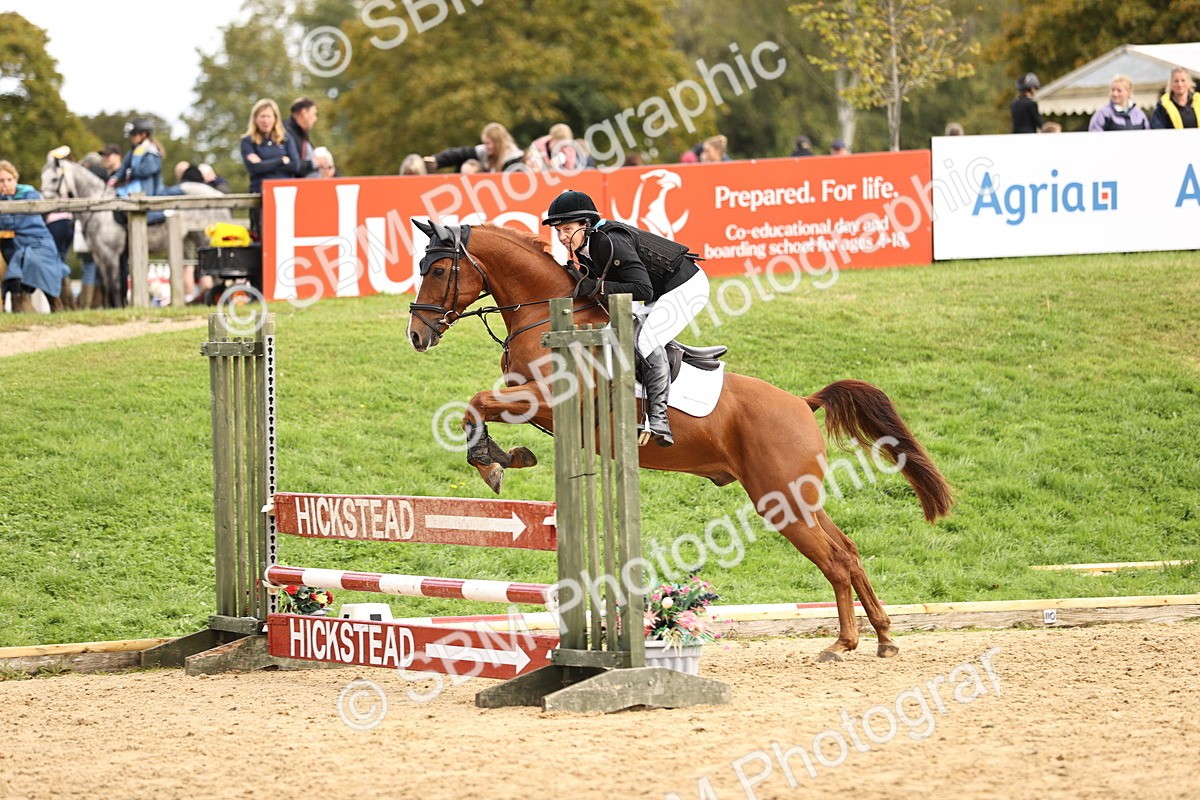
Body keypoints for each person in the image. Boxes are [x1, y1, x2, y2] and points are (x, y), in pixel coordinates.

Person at [541, 189, 709, 448]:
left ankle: (658, 420)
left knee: (644, 341)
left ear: (586, 224)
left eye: (567, 229)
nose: (562, 237)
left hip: (685, 288)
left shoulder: (609, 242)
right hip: (662, 292)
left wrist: (598, 287)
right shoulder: (586, 244)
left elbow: (642, 290)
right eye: (558, 231)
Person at [0, 160, 70, 313]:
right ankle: (17, 312)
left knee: (36, 264)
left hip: (39, 242)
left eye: (9, 179)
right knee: (14, 271)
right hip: (17, 245)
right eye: (1, 181)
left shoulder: (29, 194)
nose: (5, 184)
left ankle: (56, 307)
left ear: (15, 179)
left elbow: (18, 223)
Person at [240, 98, 298, 237]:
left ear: (275, 118)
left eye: (269, 116)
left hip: (285, 194)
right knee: (263, 235)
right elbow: (255, 168)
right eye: (262, 116)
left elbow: (295, 166)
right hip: (261, 195)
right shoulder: (248, 141)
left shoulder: (285, 139)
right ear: (255, 118)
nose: (266, 120)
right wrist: (281, 160)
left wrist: (265, 163)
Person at [112, 117, 169, 223]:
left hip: (147, 189)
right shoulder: (134, 149)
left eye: (133, 135)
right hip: (134, 186)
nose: (131, 138)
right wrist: (115, 178)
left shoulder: (152, 151)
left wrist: (130, 172)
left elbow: (145, 170)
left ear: (144, 134)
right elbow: (124, 166)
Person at [426, 122, 524, 173]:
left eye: (488, 143)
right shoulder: (485, 152)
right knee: (465, 163)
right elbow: (458, 154)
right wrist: (436, 160)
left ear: (497, 142)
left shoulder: (514, 160)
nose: (486, 147)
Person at [284, 97, 320, 177]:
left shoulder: (302, 134)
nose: (315, 119)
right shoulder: (285, 133)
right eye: (314, 114)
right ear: (304, 113)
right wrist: (315, 162)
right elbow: (291, 165)